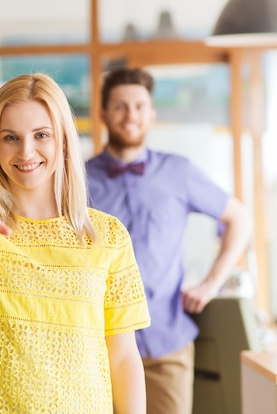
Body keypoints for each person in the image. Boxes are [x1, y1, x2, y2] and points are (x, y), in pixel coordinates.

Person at [0, 73, 151, 414]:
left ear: (63, 140)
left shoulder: (108, 235)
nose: (26, 151)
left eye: (41, 135)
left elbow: (123, 355)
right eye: (10, 137)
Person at [85, 67, 253, 414]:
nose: (131, 115)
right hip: (97, 348)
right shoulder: (77, 179)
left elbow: (239, 218)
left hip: (167, 345)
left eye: (139, 106)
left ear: (151, 114)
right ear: (102, 113)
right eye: (120, 106)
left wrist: (211, 284)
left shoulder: (179, 172)